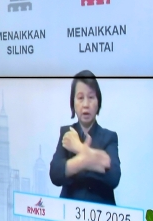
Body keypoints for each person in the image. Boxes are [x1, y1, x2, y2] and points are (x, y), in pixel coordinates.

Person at [49, 70, 120, 205]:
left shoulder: (109, 137)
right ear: (73, 103)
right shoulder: (67, 133)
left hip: (101, 216)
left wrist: (78, 149)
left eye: (91, 97)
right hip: (68, 216)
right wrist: (89, 160)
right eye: (80, 98)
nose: (86, 104)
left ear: (98, 102)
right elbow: (55, 174)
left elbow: (113, 177)